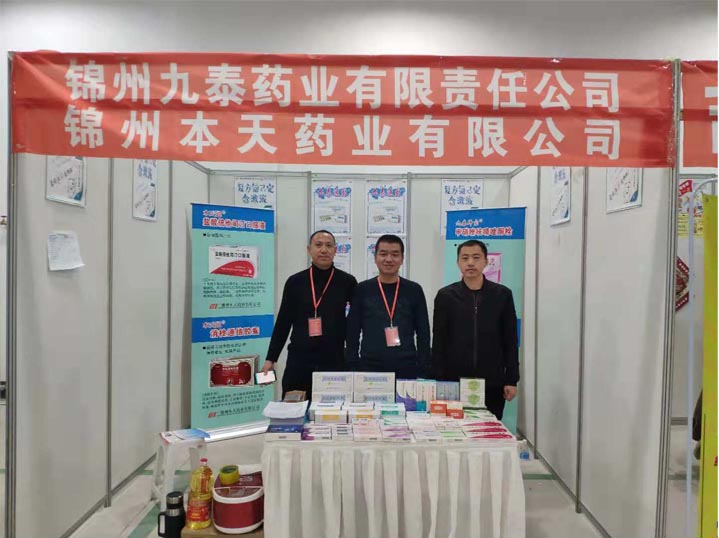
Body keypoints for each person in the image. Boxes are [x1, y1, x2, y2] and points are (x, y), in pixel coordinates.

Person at [261, 230, 357, 396]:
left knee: (332, 410)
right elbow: (283, 323)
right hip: (299, 361)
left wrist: (353, 359)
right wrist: (271, 359)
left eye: (328, 245)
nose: (324, 250)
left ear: (335, 250)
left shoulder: (347, 282)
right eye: (318, 245)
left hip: (334, 361)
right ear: (309, 249)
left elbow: (355, 323)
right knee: (293, 408)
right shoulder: (295, 282)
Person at [432, 239, 519, 420]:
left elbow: (510, 339)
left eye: (476, 257)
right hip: (454, 382)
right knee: (453, 429)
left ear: (486, 261)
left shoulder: (502, 295)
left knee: (489, 431)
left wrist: (511, 379)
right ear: (458, 262)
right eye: (465, 258)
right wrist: (437, 378)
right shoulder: (446, 296)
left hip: (492, 383)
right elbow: (439, 340)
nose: (470, 263)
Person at [346, 234, 430, 378]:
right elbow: (352, 331)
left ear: (402, 259)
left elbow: (423, 332)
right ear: (375, 258)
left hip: (407, 367)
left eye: (395, 254)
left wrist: (423, 367)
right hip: (370, 367)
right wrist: (353, 365)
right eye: (383, 254)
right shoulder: (362, 289)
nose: (389, 259)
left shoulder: (414, 290)